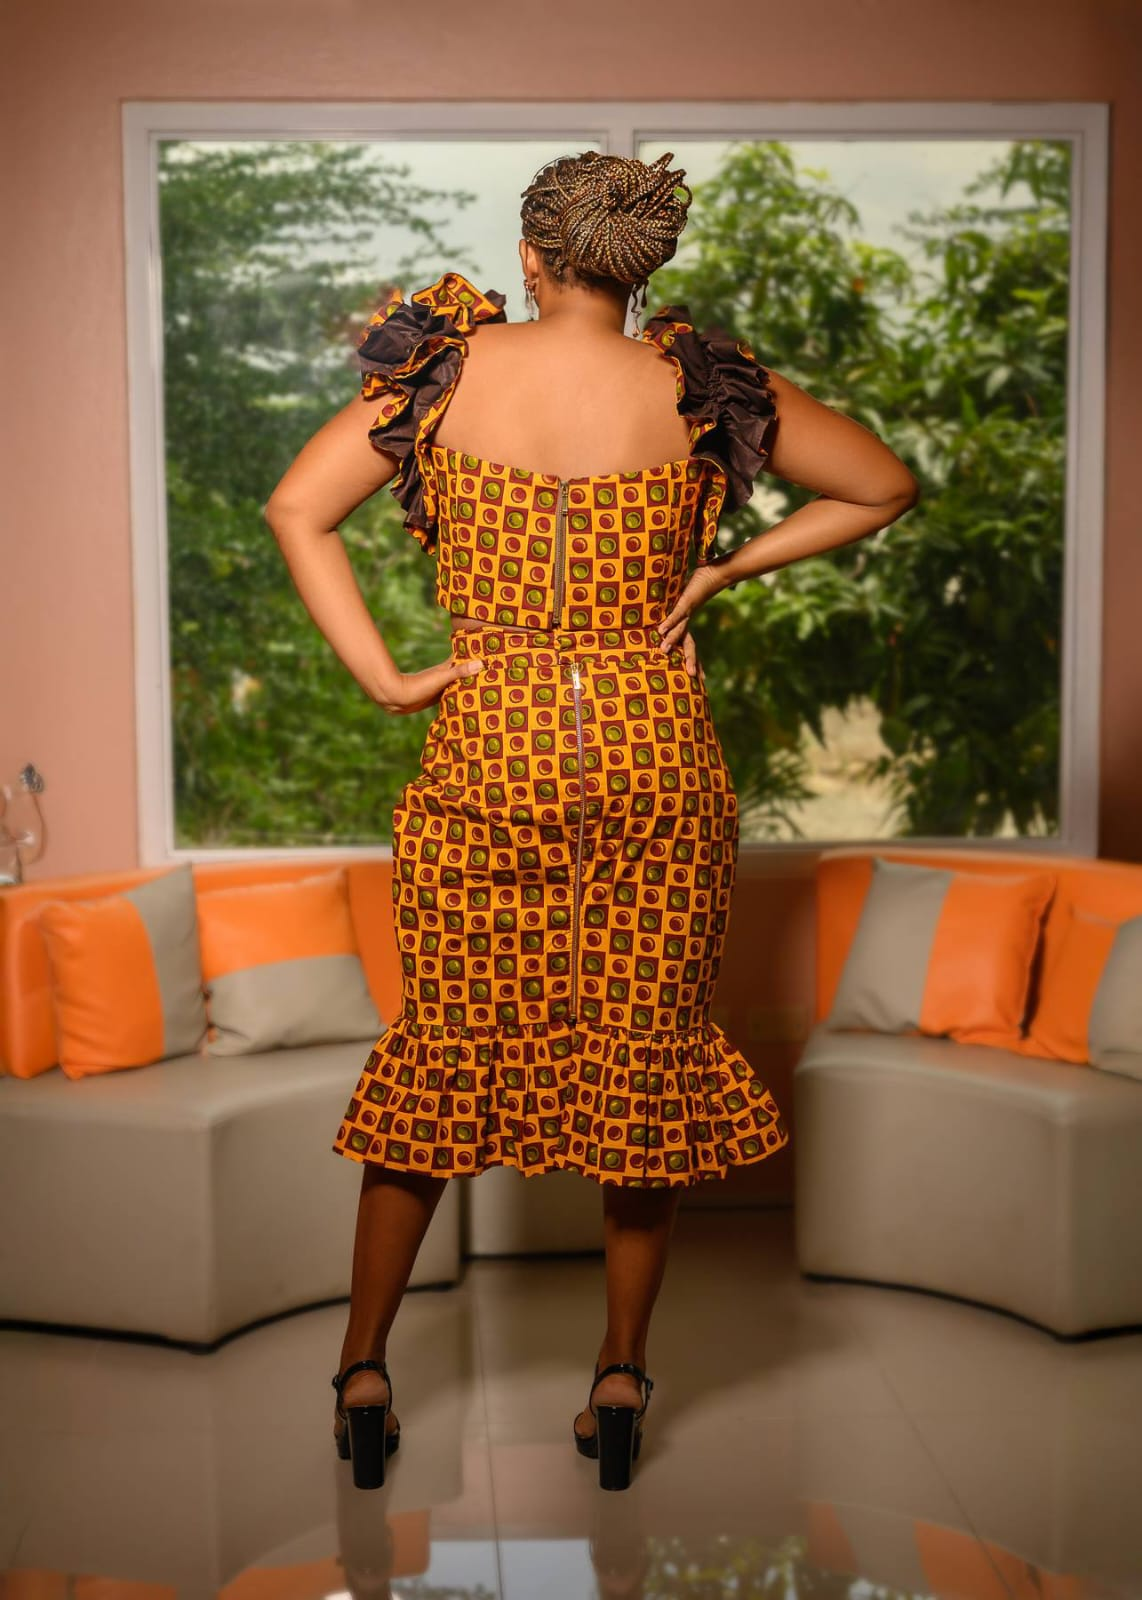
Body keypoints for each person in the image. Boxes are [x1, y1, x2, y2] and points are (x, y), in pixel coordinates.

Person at [264, 149, 920, 1492]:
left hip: (489, 746)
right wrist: (724, 567)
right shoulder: (695, 382)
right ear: (641, 265)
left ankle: (364, 1370)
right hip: (653, 755)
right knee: (645, 1061)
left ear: (533, 256)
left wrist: (387, 679)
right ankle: (619, 1378)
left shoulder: (446, 371)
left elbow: (295, 507)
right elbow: (881, 484)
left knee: (442, 1053)